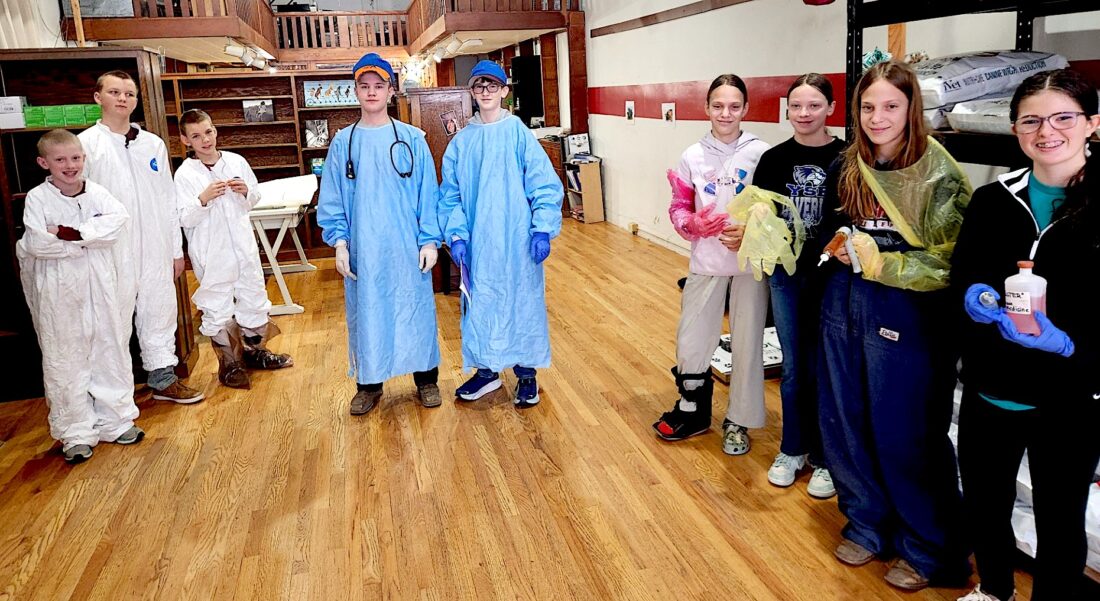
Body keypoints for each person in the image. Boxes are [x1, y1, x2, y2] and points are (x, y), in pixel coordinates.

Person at [816, 60, 971, 591]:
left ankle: (928, 546)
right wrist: (840, 245)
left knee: (905, 431)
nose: (877, 117)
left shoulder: (936, 172)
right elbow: (836, 224)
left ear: (912, 109)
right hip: (845, 302)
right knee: (845, 419)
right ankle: (867, 522)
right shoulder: (850, 163)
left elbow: (950, 261)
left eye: (890, 106)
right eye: (867, 107)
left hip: (906, 312)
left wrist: (885, 264)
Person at [952, 68, 1100, 601]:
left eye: (1063, 118)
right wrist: (973, 297)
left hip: (1071, 399)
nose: (1046, 132)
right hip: (991, 390)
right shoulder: (992, 199)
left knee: (1060, 519)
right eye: (1031, 121)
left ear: (1093, 123)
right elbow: (963, 275)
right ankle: (994, 589)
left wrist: (1071, 344)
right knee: (984, 504)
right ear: (1015, 128)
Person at [317, 53, 443, 415]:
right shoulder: (344, 143)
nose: (371, 92)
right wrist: (340, 243)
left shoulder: (412, 139)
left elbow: (427, 194)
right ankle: (369, 385)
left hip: (406, 247)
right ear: (355, 91)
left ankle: (427, 380)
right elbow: (332, 198)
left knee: (415, 310)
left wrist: (429, 240)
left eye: (379, 86)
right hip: (365, 249)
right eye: (364, 86)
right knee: (368, 314)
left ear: (390, 91)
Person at [652, 74, 771, 456]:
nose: (726, 113)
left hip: (750, 265)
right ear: (706, 108)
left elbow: (774, 212)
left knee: (748, 343)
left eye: (734, 106)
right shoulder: (692, 156)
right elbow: (678, 207)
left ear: (746, 108)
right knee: (692, 337)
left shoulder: (762, 154)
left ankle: (739, 421)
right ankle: (693, 408)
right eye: (718, 105)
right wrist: (691, 223)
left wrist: (753, 229)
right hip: (706, 261)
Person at [438, 60, 563, 408]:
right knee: (480, 304)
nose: (486, 92)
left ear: (505, 91)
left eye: (492, 85)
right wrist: (457, 235)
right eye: (479, 86)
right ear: (472, 92)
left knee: (522, 303)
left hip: (517, 241)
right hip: (478, 243)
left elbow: (543, 184)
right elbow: (451, 195)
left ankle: (526, 374)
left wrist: (541, 229)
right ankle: (486, 371)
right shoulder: (462, 142)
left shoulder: (518, 134)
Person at [17, 130, 143, 463]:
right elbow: (37, 243)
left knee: (109, 348)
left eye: (75, 158)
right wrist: (87, 241)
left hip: (99, 284)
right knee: (65, 357)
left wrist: (69, 234)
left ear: (84, 158)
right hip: (59, 289)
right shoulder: (38, 199)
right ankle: (75, 431)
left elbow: (117, 224)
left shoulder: (98, 193)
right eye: (60, 159)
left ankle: (116, 421)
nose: (69, 165)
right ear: (44, 163)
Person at [79, 70, 204, 404]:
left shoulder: (152, 144)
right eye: (115, 92)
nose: (123, 99)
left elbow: (167, 199)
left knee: (159, 310)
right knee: (111, 320)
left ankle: (163, 379)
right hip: (110, 248)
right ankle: (111, 395)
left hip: (155, 245)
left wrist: (175, 250)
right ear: (98, 97)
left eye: (129, 93)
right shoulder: (86, 145)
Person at [750, 73, 845, 497]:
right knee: (793, 367)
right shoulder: (773, 159)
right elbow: (758, 215)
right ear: (786, 110)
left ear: (831, 108)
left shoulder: (848, 158)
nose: (804, 114)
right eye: (796, 106)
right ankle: (793, 448)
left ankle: (825, 459)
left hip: (833, 280)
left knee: (826, 367)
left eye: (814, 105)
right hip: (786, 276)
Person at [174, 109, 293, 390]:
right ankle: (230, 364)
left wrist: (245, 191)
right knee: (217, 305)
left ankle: (255, 352)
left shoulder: (236, 161)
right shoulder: (185, 174)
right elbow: (183, 217)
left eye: (208, 132)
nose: (205, 140)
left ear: (215, 131)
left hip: (243, 247)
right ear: (185, 140)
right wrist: (203, 200)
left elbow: (254, 196)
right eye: (196, 136)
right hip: (211, 252)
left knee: (253, 296)